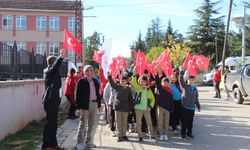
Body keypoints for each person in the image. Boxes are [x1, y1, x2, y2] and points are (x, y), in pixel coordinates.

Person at [42, 48, 67, 150]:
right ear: (52, 63)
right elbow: (55, 67)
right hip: (50, 100)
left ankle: (53, 144)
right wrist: (61, 57)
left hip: (54, 99)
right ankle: (46, 145)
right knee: (49, 124)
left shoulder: (53, 72)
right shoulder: (48, 70)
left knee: (54, 124)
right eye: (56, 63)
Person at [76, 65, 102, 150]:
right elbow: (78, 96)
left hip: (94, 104)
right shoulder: (81, 81)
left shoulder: (95, 81)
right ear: (86, 72)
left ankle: (89, 142)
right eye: (91, 70)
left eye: (92, 70)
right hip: (85, 105)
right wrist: (79, 108)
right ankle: (80, 142)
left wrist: (99, 105)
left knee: (91, 124)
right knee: (83, 124)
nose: (92, 72)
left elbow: (97, 94)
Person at [131, 70, 157, 143]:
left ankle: (152, 136)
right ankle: (140, 136)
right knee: (138, 123)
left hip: (146, 109)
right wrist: (134, 75)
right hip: (138, 109)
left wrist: (150, 107)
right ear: (139, 81)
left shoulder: (148, 89)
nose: (142, 82)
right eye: (141, 81)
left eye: (144, 81)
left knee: (149, 122)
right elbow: (134, 83)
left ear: (146, 82)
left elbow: (153, 99)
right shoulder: (137, 88)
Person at [108, 72, 133, 142]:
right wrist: (109, 76)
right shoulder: (118, 86)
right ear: (120, 81)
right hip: (118, 107)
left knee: (125, 122)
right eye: (122, 81)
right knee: (118, 122)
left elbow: (130, 99)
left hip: (126, 107)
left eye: (124, 81)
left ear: (126, 82)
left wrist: (131, 109)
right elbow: (112, 84)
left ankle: (124, 135)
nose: (123, 82)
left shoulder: (128, 88)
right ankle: (119, 135)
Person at [179, 66, 201, 139]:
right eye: (190, 79)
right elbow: (181, 81)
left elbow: (196, 99)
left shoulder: (195, 89)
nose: (191, 81)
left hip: (192, 108)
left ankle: (189, 133)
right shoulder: (186, 86)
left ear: (194, 80)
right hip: (185, 107)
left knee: (190, 122)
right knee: (184, 122)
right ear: (188, 80)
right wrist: (181, 72)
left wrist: (198, 107)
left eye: (192, 80)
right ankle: (183, 134)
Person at [155, 69, 174, 141]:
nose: (165, 83)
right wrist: (156, 74)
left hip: (167, 109)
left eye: (167, 82)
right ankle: (161, 134)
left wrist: (172, 108)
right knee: (160, 121)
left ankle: (165, 134)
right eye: (164, 82)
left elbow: (171, 100)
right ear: (162, 82)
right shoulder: (160, 88)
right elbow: (157, 82)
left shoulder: (169, 90)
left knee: (166, 122)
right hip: (160, 107)